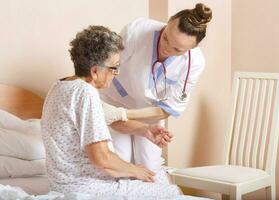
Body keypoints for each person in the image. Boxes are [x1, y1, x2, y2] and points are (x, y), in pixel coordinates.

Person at [41, 25, 180, 197]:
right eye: (114, 68)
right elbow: (102, 158)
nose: (117, 73)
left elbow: (110, 119)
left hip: (64, 186)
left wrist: (145, 130)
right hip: (89, 188)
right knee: (172, 191)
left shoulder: (61, 86)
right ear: (95, 71)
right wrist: (135, 171)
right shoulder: (85, 93)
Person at [100, 3, 212, 173]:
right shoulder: (137, 30)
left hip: (148, 111)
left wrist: (129, 117)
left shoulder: (194, 63)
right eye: (166, 37)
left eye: (177, 49)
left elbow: (169, 108)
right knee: (119, 161)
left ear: (192, 49)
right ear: (167, 23)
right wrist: (114, 113)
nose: (166, 48)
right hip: (115, 100)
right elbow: (106, 67)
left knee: (150, 167)